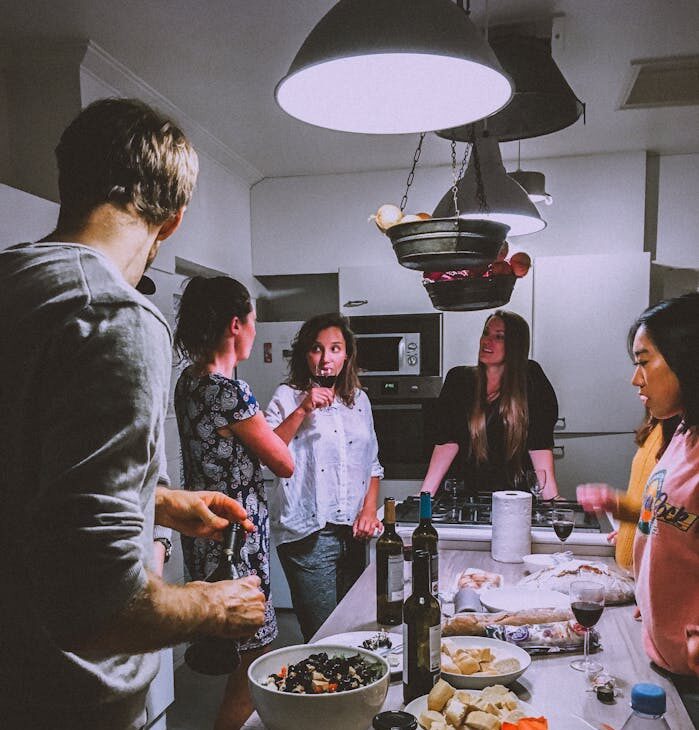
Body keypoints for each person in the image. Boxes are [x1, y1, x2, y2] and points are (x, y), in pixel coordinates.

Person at [0, 98, 267, 730]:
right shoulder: (113, 314)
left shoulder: (14, 283)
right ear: (171, 221)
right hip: (67, 700)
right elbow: (99, 608)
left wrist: (163, 502)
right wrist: (216, 606)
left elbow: (29, 481)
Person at [173, 275, 294, 730]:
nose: (256, 332)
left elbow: (254, 447)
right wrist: (297, 413)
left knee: (240, 652)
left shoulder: (190, 383)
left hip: (206, 534)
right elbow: (283, 463)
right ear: (235, 324)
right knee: (253, 658)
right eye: (253, 321)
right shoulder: (231, 392)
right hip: (237, 541)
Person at [578, 292, 699, 678]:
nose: (635, 378)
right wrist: (622, 507)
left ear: (687, 358)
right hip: (663, 658)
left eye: (644, 362)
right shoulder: (682, 434)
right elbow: (676, 519)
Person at [265, 313, 384, 641]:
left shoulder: (359, 400)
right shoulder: (287, 396)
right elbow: (268, 454)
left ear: (347, 355)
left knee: (354, 631)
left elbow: (372, 463)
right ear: (306, 355)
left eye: (335, 349)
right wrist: (303, 409)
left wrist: (369, 510)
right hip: (308, 534)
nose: (325, 358)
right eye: (317, 349)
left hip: (354, 536)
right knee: (324, 637)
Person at [420, 310, 560, 499]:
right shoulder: (459, 380)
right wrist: (424, 497)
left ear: (515, 346)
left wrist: (552, 500)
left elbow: (539, 445)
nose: (487, 341)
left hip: (515, 498)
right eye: (486, 333)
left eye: (499, 337)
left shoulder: (531, 379)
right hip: (464, 496)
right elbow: (447, 443)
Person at [585, 413, 680, 572]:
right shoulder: (655, 425)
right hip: (632, 573)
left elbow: (679, 518)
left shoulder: (686, 437)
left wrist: (618, 506)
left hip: (657, 578)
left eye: (650, 385)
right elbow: (651, 502)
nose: (637, 386)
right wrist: (629, 531)